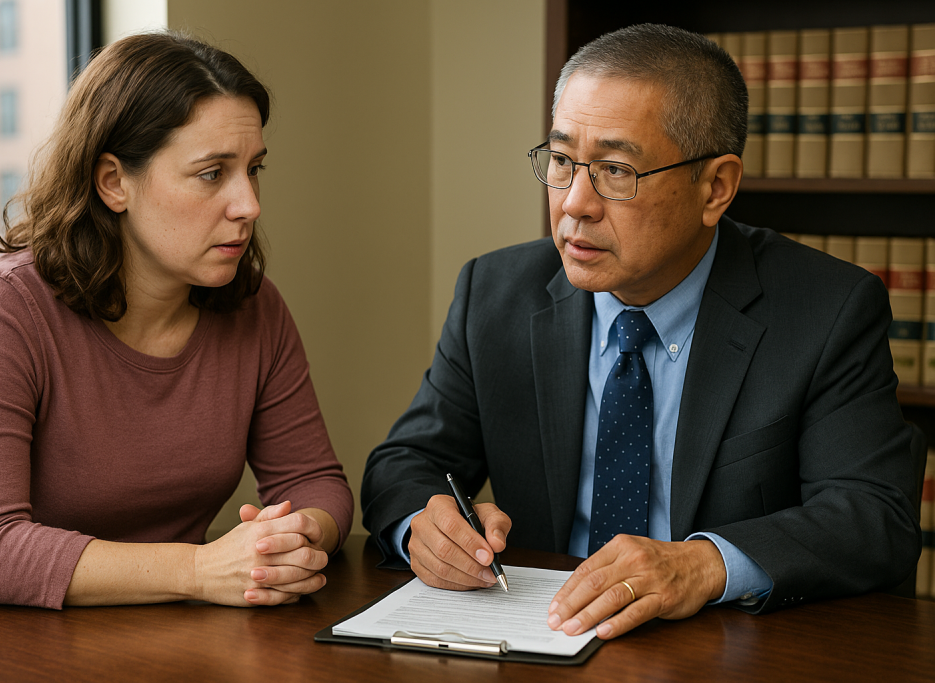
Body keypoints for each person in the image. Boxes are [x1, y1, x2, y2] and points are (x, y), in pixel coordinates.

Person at [361, 24, 919, 641]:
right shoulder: (495, 294)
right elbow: (405, 464)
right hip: (543, 637)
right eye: (563, 161)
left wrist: (704, 565)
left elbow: (876, 517)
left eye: (616, 171)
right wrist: (423, 525)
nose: (575, 202)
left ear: (716, 187)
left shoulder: (825, 308)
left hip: (723, 652)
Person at [0, 32, 353, 616]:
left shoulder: (256, 308)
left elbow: (317, 481)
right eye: (211, 173)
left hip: (146, 632)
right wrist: (200, 569)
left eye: (253, 169)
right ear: (114, 182)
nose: (249, 204)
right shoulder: (0, 310)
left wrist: (287, 543)